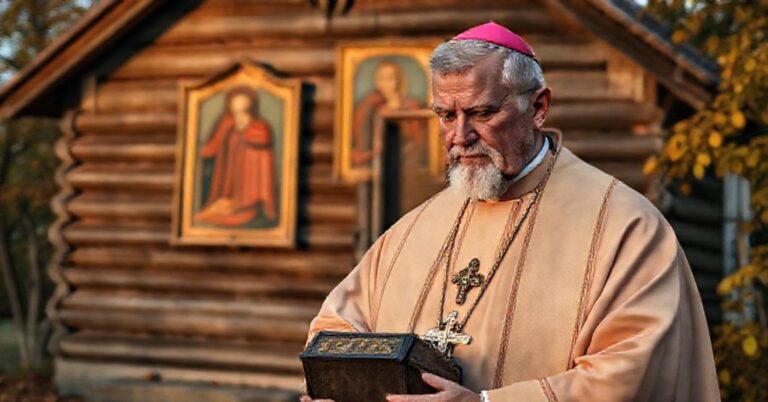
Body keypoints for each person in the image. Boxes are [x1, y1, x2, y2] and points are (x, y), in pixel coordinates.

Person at [303, 22, 720, 401]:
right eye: (446, 115)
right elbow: (336, 329)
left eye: (482, 112)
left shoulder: (624, 225)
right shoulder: (415, 228)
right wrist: (340, 388)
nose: (459, 136)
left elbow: (636, 373)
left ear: (538, 107)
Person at [194, 86, 277, 227]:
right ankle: (223, 206)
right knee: (210, 213)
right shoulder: (226, 122)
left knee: (240, 215)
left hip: (249, 182)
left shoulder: (260, 126)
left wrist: (245, 130)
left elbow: (262, 141)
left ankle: (242, 205)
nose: (237, 104)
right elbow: (213, 146)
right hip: (228, 175)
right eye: (235, 100)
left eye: (242, 100)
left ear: (250, 103)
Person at [350, 60, 425, 167]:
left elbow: (416, 141)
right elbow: (362, 138)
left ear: (397, 80)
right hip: (375, 161)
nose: (384, 83)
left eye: (389, 79)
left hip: (404, 160)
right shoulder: (369, 105)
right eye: (380, 78)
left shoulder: (410, 106)